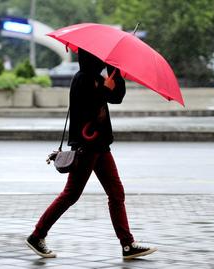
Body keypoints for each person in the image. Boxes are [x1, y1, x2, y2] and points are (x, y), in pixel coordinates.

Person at [26, 48, 157, 260]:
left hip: (100, 146)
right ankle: (37, 235)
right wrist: (104, 88)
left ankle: (127, 245)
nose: (103, 59)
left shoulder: (97, 77)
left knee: (116, 193)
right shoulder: (83, 80)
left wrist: (116, 70)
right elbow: (89, 108)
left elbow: (116, 97)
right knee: (71, 194)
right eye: (101, 57)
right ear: (91, 58)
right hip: (87, 147)